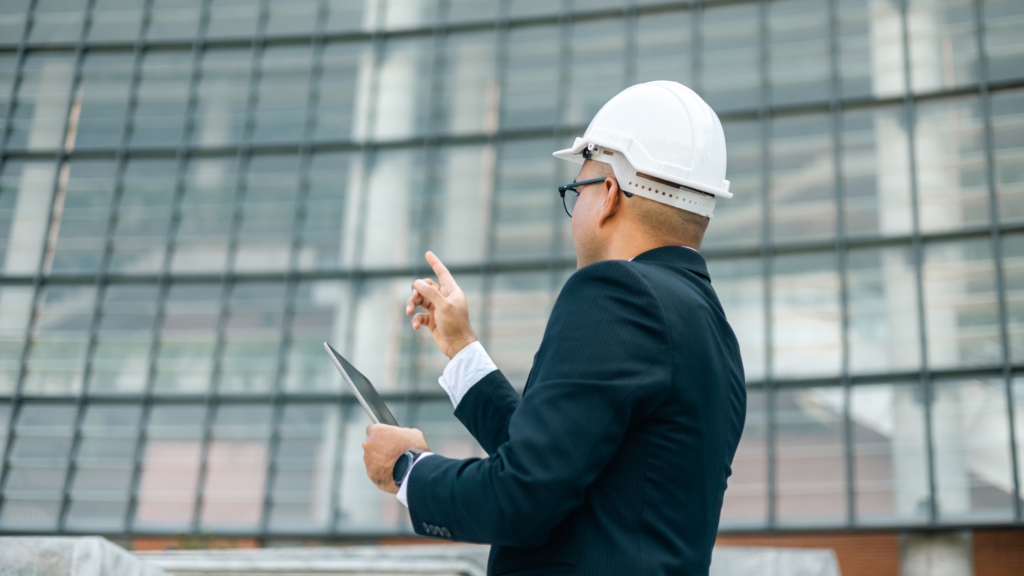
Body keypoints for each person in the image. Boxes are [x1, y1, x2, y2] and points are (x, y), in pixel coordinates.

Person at [361, 81, 746, 575]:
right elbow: (558, 467)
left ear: (608, 194)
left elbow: (520, 498)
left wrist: (407, 470)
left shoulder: (614, 290)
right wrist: (461, 348)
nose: (575, 210)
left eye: (576, 190)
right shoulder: (712, 329)